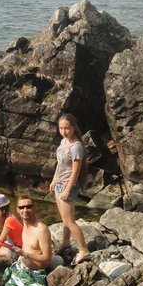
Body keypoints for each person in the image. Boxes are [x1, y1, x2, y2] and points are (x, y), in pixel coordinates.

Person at [48, 113, 91, 264]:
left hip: (68, 185)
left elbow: (75, 171)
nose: (64, 131)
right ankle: (66, 242)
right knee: (64, 219)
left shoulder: (76, 146)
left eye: (67, 128)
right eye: (61, 128)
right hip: (59, 183)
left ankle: (84, 250)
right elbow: (60, 164)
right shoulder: (63, 141)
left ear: (73, 127)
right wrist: (54, 179)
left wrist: (67, 190)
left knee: (70, 221)